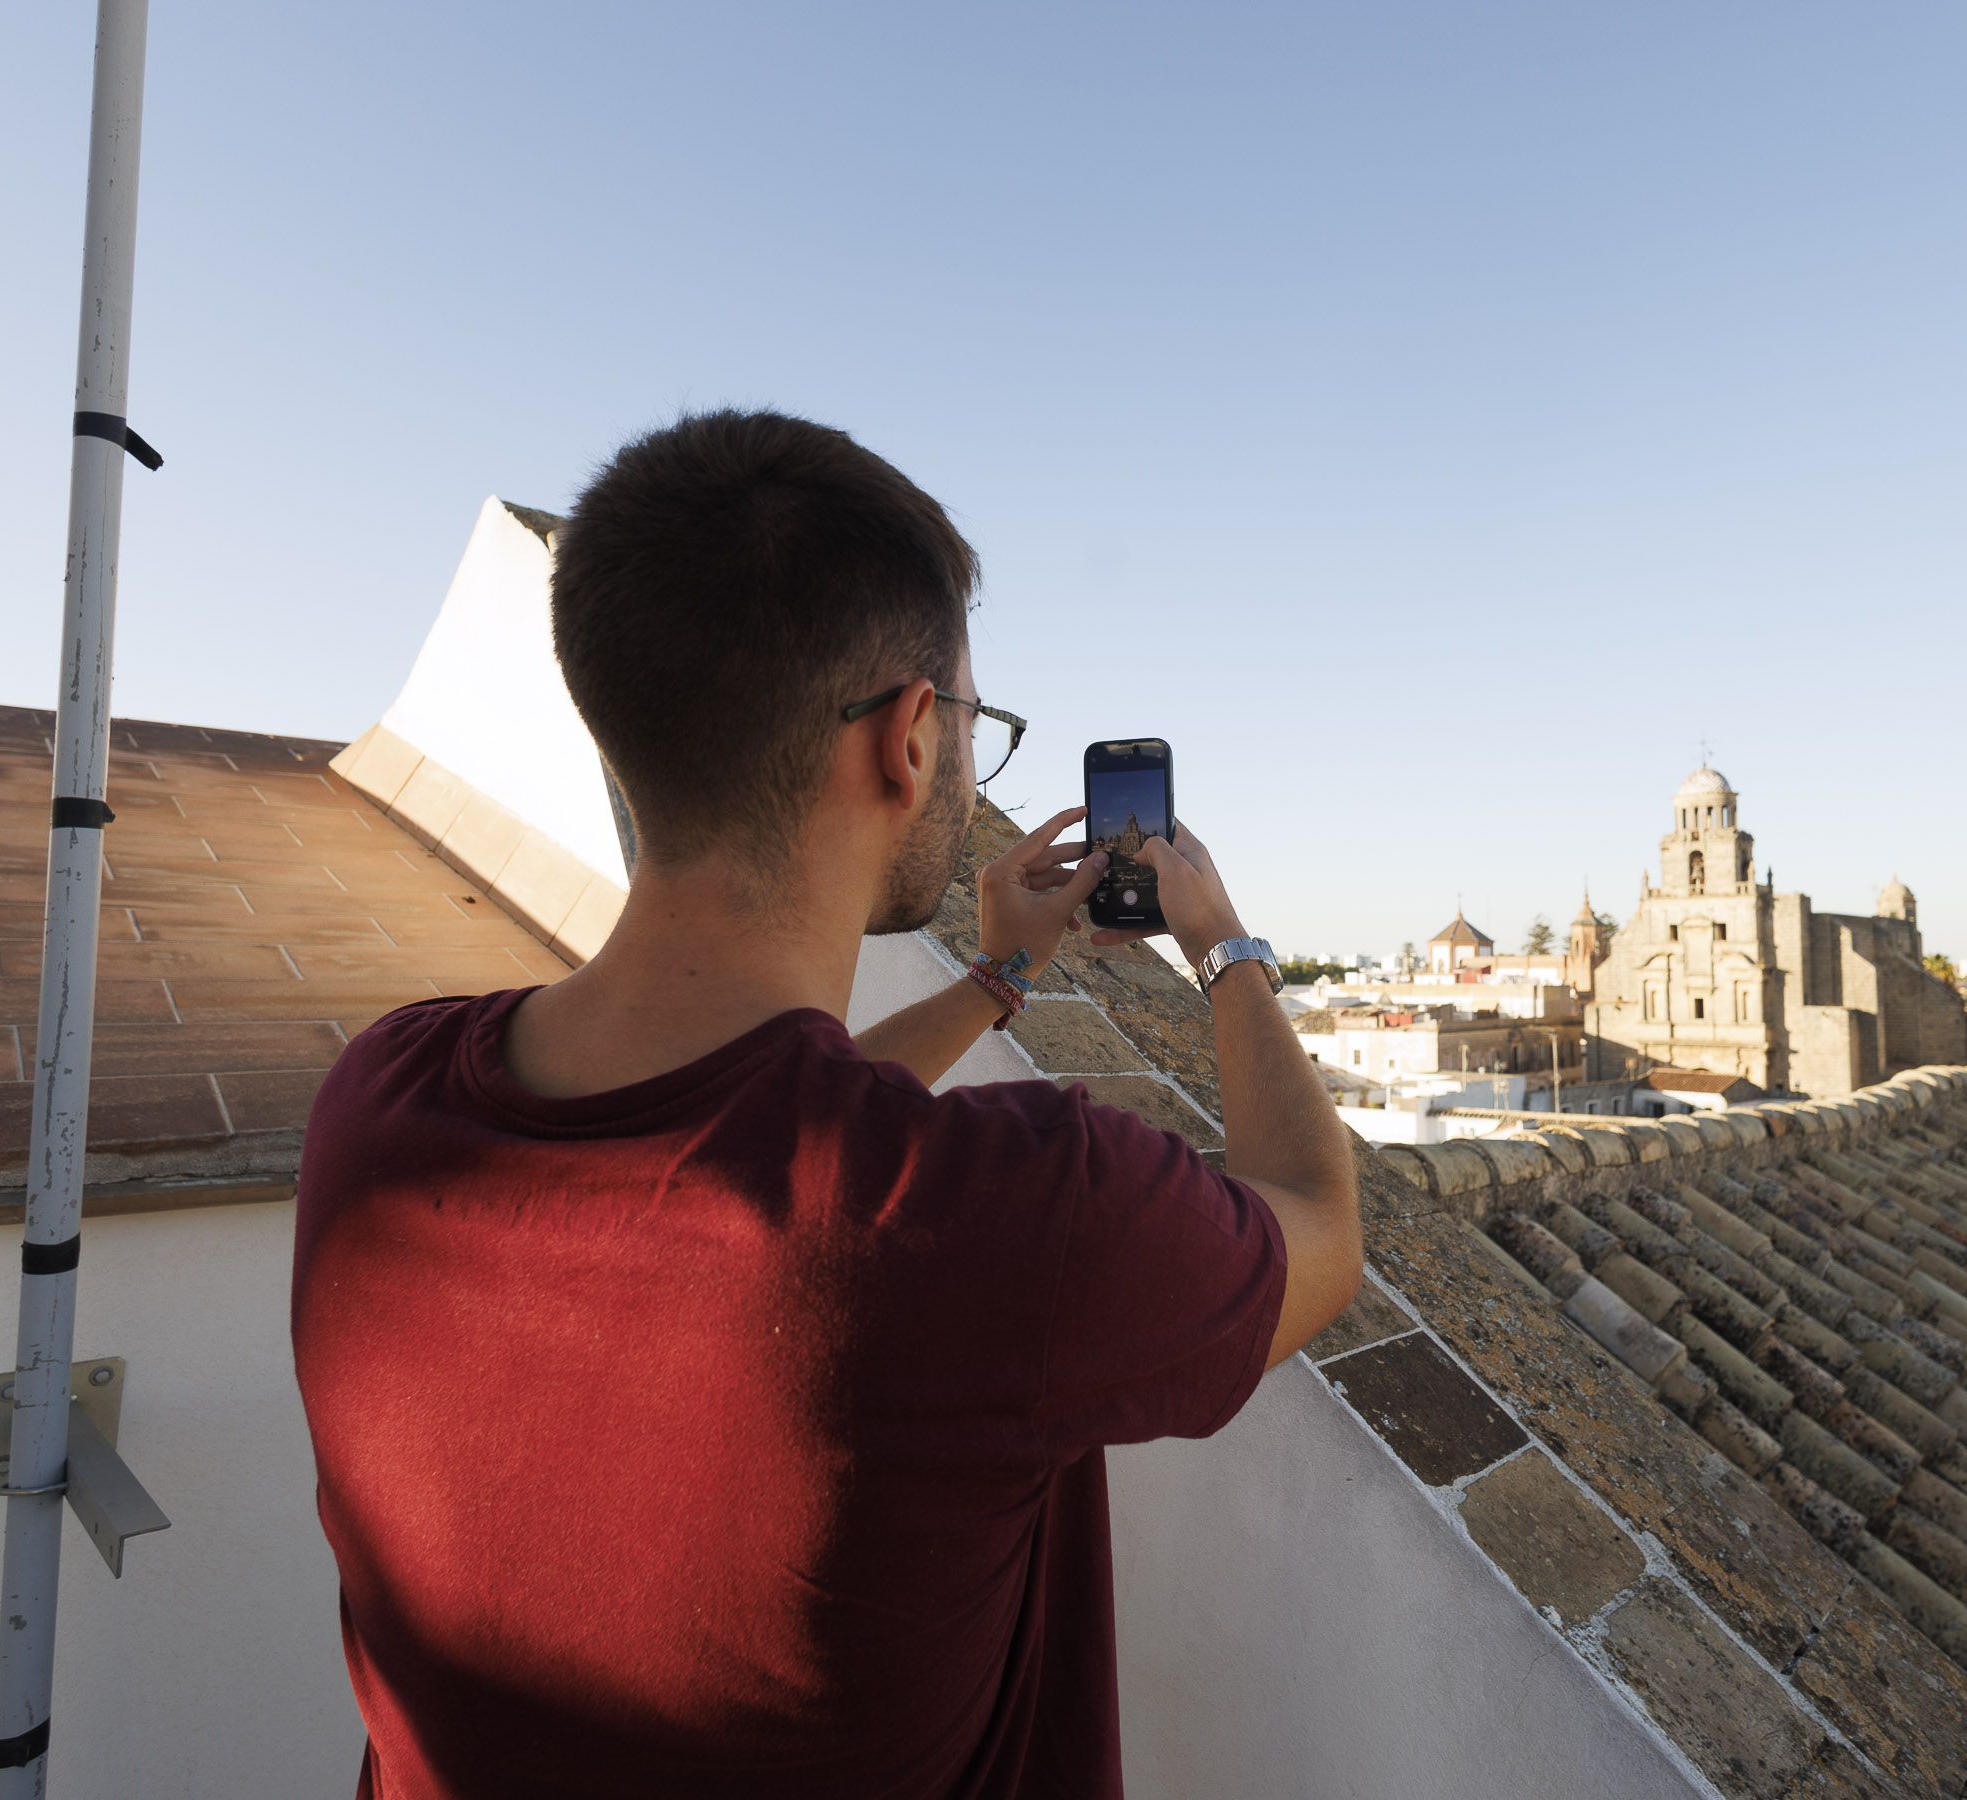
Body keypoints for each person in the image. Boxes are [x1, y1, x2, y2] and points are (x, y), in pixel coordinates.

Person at [290, 409, 1362, 1799]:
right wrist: (1222, 942)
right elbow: (1320, 1224)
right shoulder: (1012, 1215)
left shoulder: (378, 1103)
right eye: (974, 725)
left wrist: (994, 981)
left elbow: (767, 1129)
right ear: (910, 738)